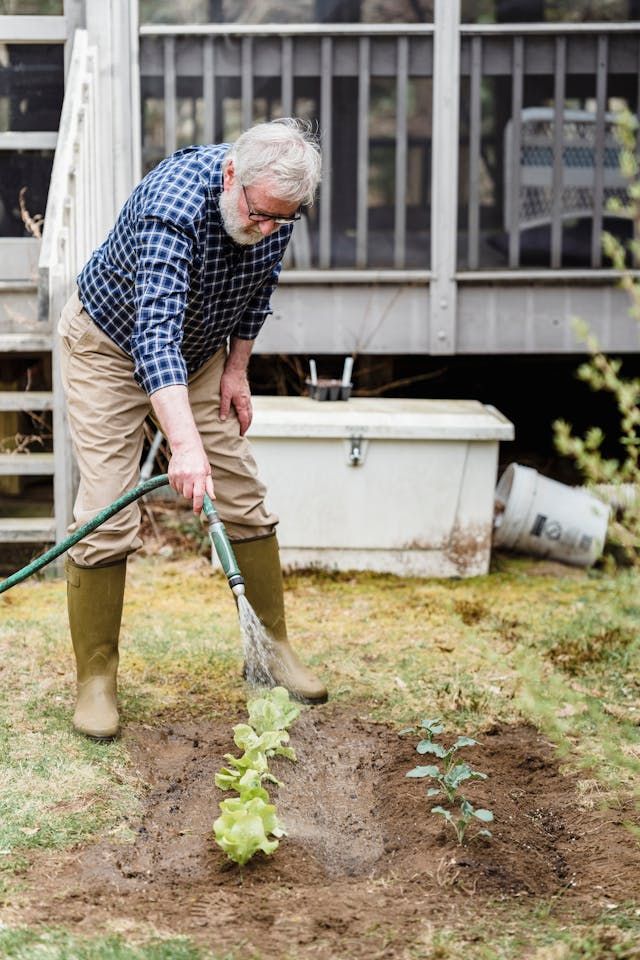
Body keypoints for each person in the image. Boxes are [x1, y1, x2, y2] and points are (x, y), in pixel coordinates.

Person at [58, 118, 327, 740]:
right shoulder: (172, 206)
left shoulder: (273, 206)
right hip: (110, 349)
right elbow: (153, 338)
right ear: (232, 174)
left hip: (202, 352)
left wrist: (236, 371)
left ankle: (274, 648)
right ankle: (95, 680)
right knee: (104, 508)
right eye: (259, 215)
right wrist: (183, 445)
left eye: (280, 222)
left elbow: (259, 289)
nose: (266, 229)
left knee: (241, 490)